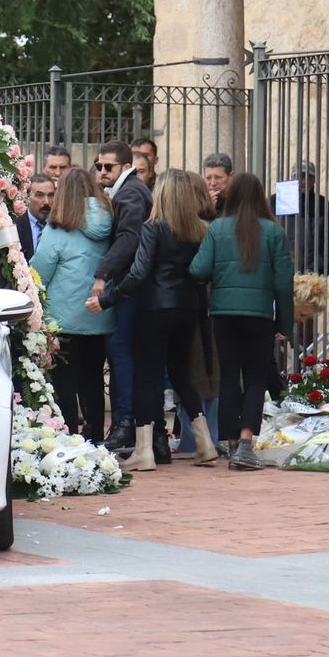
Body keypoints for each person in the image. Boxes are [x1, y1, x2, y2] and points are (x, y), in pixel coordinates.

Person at [89, 169, 217, 470]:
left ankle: (144, 451)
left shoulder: (153, 227)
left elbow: (138, 272)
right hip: (187, 309)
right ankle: (205, 443)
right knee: (182, 373)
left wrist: (107, 298)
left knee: (147, 377)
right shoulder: (201, 229)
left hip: (154, 308)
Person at [189, 173, 293, 470]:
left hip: (223, 314)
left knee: (229, 378)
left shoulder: (217, 229)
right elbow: (284, 283)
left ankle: (231, 443)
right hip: (260, 316)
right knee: (257, 379)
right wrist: (285, 325)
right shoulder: (273, 232)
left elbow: (198, 269)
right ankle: (247, 442)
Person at [31, 168, 113, 443]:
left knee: (65, 381)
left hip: (63, 318)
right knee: (93, 379)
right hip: (100, 315)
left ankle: (69, 436)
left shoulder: (58, 228)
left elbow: (39, 272)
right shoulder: (107, 224)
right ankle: (94, 435)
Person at [90, 141, 151, 450]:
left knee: (121, 351)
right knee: (126, 353)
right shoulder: (130, 191)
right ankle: (132, 425)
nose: (102, 172)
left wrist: (102, 274)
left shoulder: (129, 193)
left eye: (108, 167)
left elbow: (129, 238)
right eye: (99, 166)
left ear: (125, 167)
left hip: (131, 286)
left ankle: (125, 423)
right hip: (131, 285)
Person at [280, 160, 329, 274]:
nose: (303, 181)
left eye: (307, 177)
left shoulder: (323, 205)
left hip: (314, 275)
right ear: (292, 178)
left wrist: (323, 266)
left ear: (314, 180)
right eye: (299, 176)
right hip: (284, 272)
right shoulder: (278, 202)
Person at [14, 173, 54, 261]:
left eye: (51, 195)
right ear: (27, 198)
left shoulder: (61, 228)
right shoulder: (14, 229)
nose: (47, 202)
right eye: (39, 195)